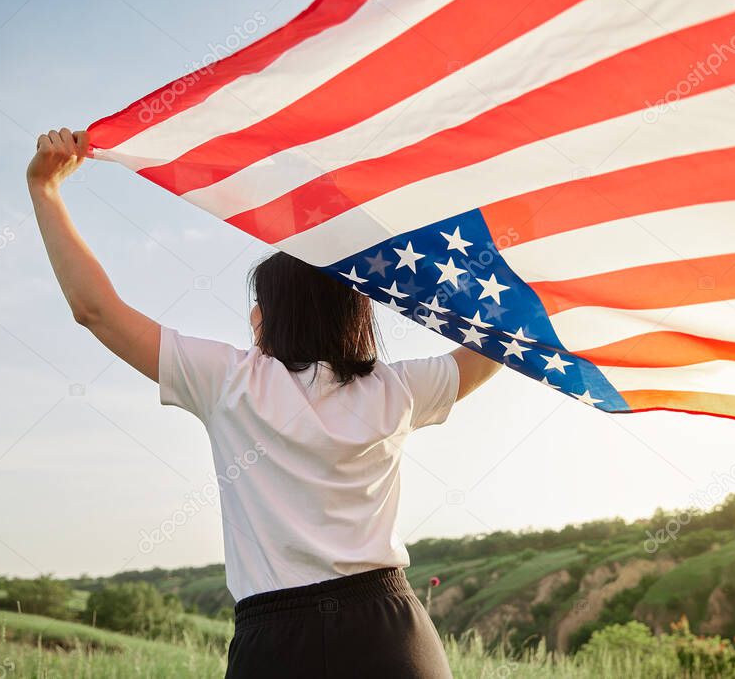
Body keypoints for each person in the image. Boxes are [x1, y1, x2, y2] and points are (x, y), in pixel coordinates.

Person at [27, 128, 503, 678]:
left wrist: (46, 190)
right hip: (389, 636)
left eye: (257, 306)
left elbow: (96, 310)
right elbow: (493, 344)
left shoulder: (229, 380)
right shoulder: (397, 389)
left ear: (271, 316)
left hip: (277, 641)